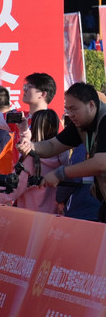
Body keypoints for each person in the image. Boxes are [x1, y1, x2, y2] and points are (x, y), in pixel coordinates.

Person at [33, 82, 106, 219]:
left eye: (74, 109)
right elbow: (52, 146)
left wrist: (60, 173)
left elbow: (101, 163)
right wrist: (30, 147)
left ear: (91, 105)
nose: (70, 115)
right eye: (67, 110)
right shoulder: (80, 124)